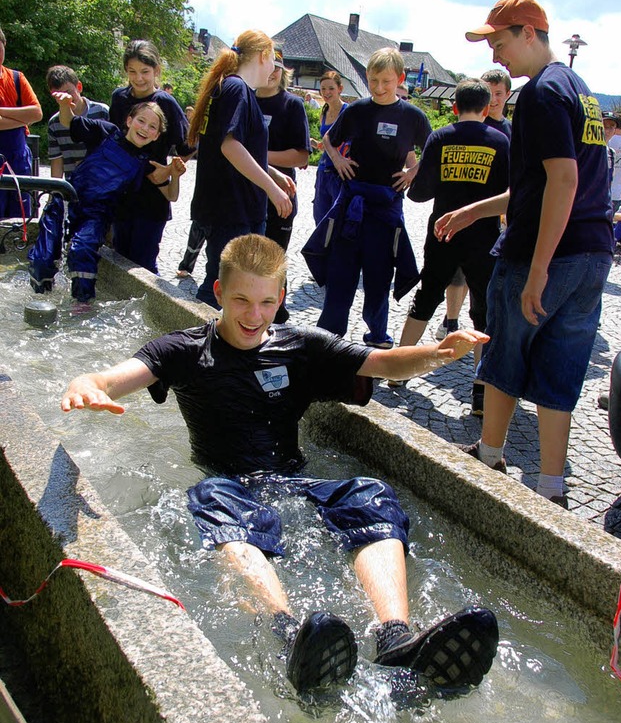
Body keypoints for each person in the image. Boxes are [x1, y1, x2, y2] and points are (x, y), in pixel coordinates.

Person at [60, 232, 498, 693]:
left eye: (267, 302)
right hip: (228, 485)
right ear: (218, 293)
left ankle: (395, 637)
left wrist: (436, 354)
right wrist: (86, 383)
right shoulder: (184, 350)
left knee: (371, 493)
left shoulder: (302, 345)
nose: (254, 315)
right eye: (241, 300)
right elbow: (111, 377)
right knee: (209, 494)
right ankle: (289, 636)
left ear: (282, 296)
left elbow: (384, 363)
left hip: (292, 481)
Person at [436, 0, 614, 508]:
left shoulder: (539, 93)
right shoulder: (581, 92)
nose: (497, 56)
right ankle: (551, 486)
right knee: (561, 366)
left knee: (503, 351)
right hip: (591, 253)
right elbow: (544, 181)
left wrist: (537, 270)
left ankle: (490, 454)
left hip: (545, 252)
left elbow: (563, 177)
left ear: (529, 32)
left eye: (500, 42)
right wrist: (475, 210)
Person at [392, 79, 510, 421]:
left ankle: (399, 368)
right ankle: (481, 392)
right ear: (487, 109)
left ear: (454, 107)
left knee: (427, 296)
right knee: (483, 309)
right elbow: (508, 190)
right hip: (483, 236)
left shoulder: (440, 137)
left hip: (442, 232)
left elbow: (419, 192)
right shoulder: (500, 141)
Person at [303, 48, 431, 349]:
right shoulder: (357, 110)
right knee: (341, 273)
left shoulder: (413, 116)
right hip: (352, 204)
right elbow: (329, 140)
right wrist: (337, 160)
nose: (379, 87)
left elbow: (434, 149)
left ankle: (377, 336)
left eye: (386, 81)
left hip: (386, 207)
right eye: (373, 80)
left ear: (399, 78)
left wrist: (413, 172)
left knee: (379, 276)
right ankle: (329, 335)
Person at [187, 30, 293, 308]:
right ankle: (199, 345)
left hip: (231, 208)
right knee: (220, 291)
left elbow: (239, 149)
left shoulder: (232, 88)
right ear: (263, 56)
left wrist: (272, 173)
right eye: (272, 61)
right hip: (233, 210)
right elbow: (229, 147)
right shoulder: (237, 89)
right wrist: (272, 190)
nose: (273, 70)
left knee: (225, 285)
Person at [45, 93, 184, 303]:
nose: (145, 128)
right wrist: (65, 105)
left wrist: (175, 175)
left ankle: (82, 304)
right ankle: (41, 293)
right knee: (44, 253)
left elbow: (171, 195)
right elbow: (69, 122)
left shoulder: (145, 163)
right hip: (69, 200)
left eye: (152, 127)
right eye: (141, 121)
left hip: (96, 214)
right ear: (129, 121)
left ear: (157, 135)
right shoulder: (106, 132)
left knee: (81, 250)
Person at [436, 68, 513, 343]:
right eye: (488, 94)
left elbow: (512, 182)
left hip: (488, 222)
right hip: (453, 218)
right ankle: (451, 320)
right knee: (456, 278)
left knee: (481, 286)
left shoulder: (507, 133)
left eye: (498, 94)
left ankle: (478, 332)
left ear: (506, 96)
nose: (493, 100)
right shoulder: (459, 130)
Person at [109, 40, 192, 274]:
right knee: (119, 259)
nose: (139, 78)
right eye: (132, 72)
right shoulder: (119, 99)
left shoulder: (165, 102)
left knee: (143, 265)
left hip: (152, 196)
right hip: (121, 194)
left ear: (156, 71)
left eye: (145, 72)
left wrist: (167, 171)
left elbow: (188, 147)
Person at [28, 65, 110, 293]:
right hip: (69, 187)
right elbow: (57, 165)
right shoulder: (55, 123)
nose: (66, 101)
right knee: (45, 247)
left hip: (96, 189)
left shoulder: (101, 112)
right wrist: (54, 198)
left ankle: (82, 295)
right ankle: (43, 286)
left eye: (70, 94)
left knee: (82, 244)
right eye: (59, 97)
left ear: (79, 88)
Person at [255, 46, 311, 322]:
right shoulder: (245, 99)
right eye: (268, 65)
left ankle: (277, 317)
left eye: (278, 66)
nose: (272, 72)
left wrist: (255, 156)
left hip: (281, 196)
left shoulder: (291, 105)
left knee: (274, 261)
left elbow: (301, 155)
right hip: (246, 195)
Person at [0, 25, 42, 220]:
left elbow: (36, 113)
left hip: (19, 159)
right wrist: (19, 117)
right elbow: (28, 115)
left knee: (22, 218)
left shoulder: (17, 78)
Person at [311, 71, 348, 226]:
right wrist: (316, 143)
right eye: (323, 89)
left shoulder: (348, 112)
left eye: (331, 88)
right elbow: (327, 144)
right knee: (320, 217)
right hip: (323, 170)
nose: (326, 93)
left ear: (340, 88)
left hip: (339, 173)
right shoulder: (324, 112)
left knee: (337, 218)